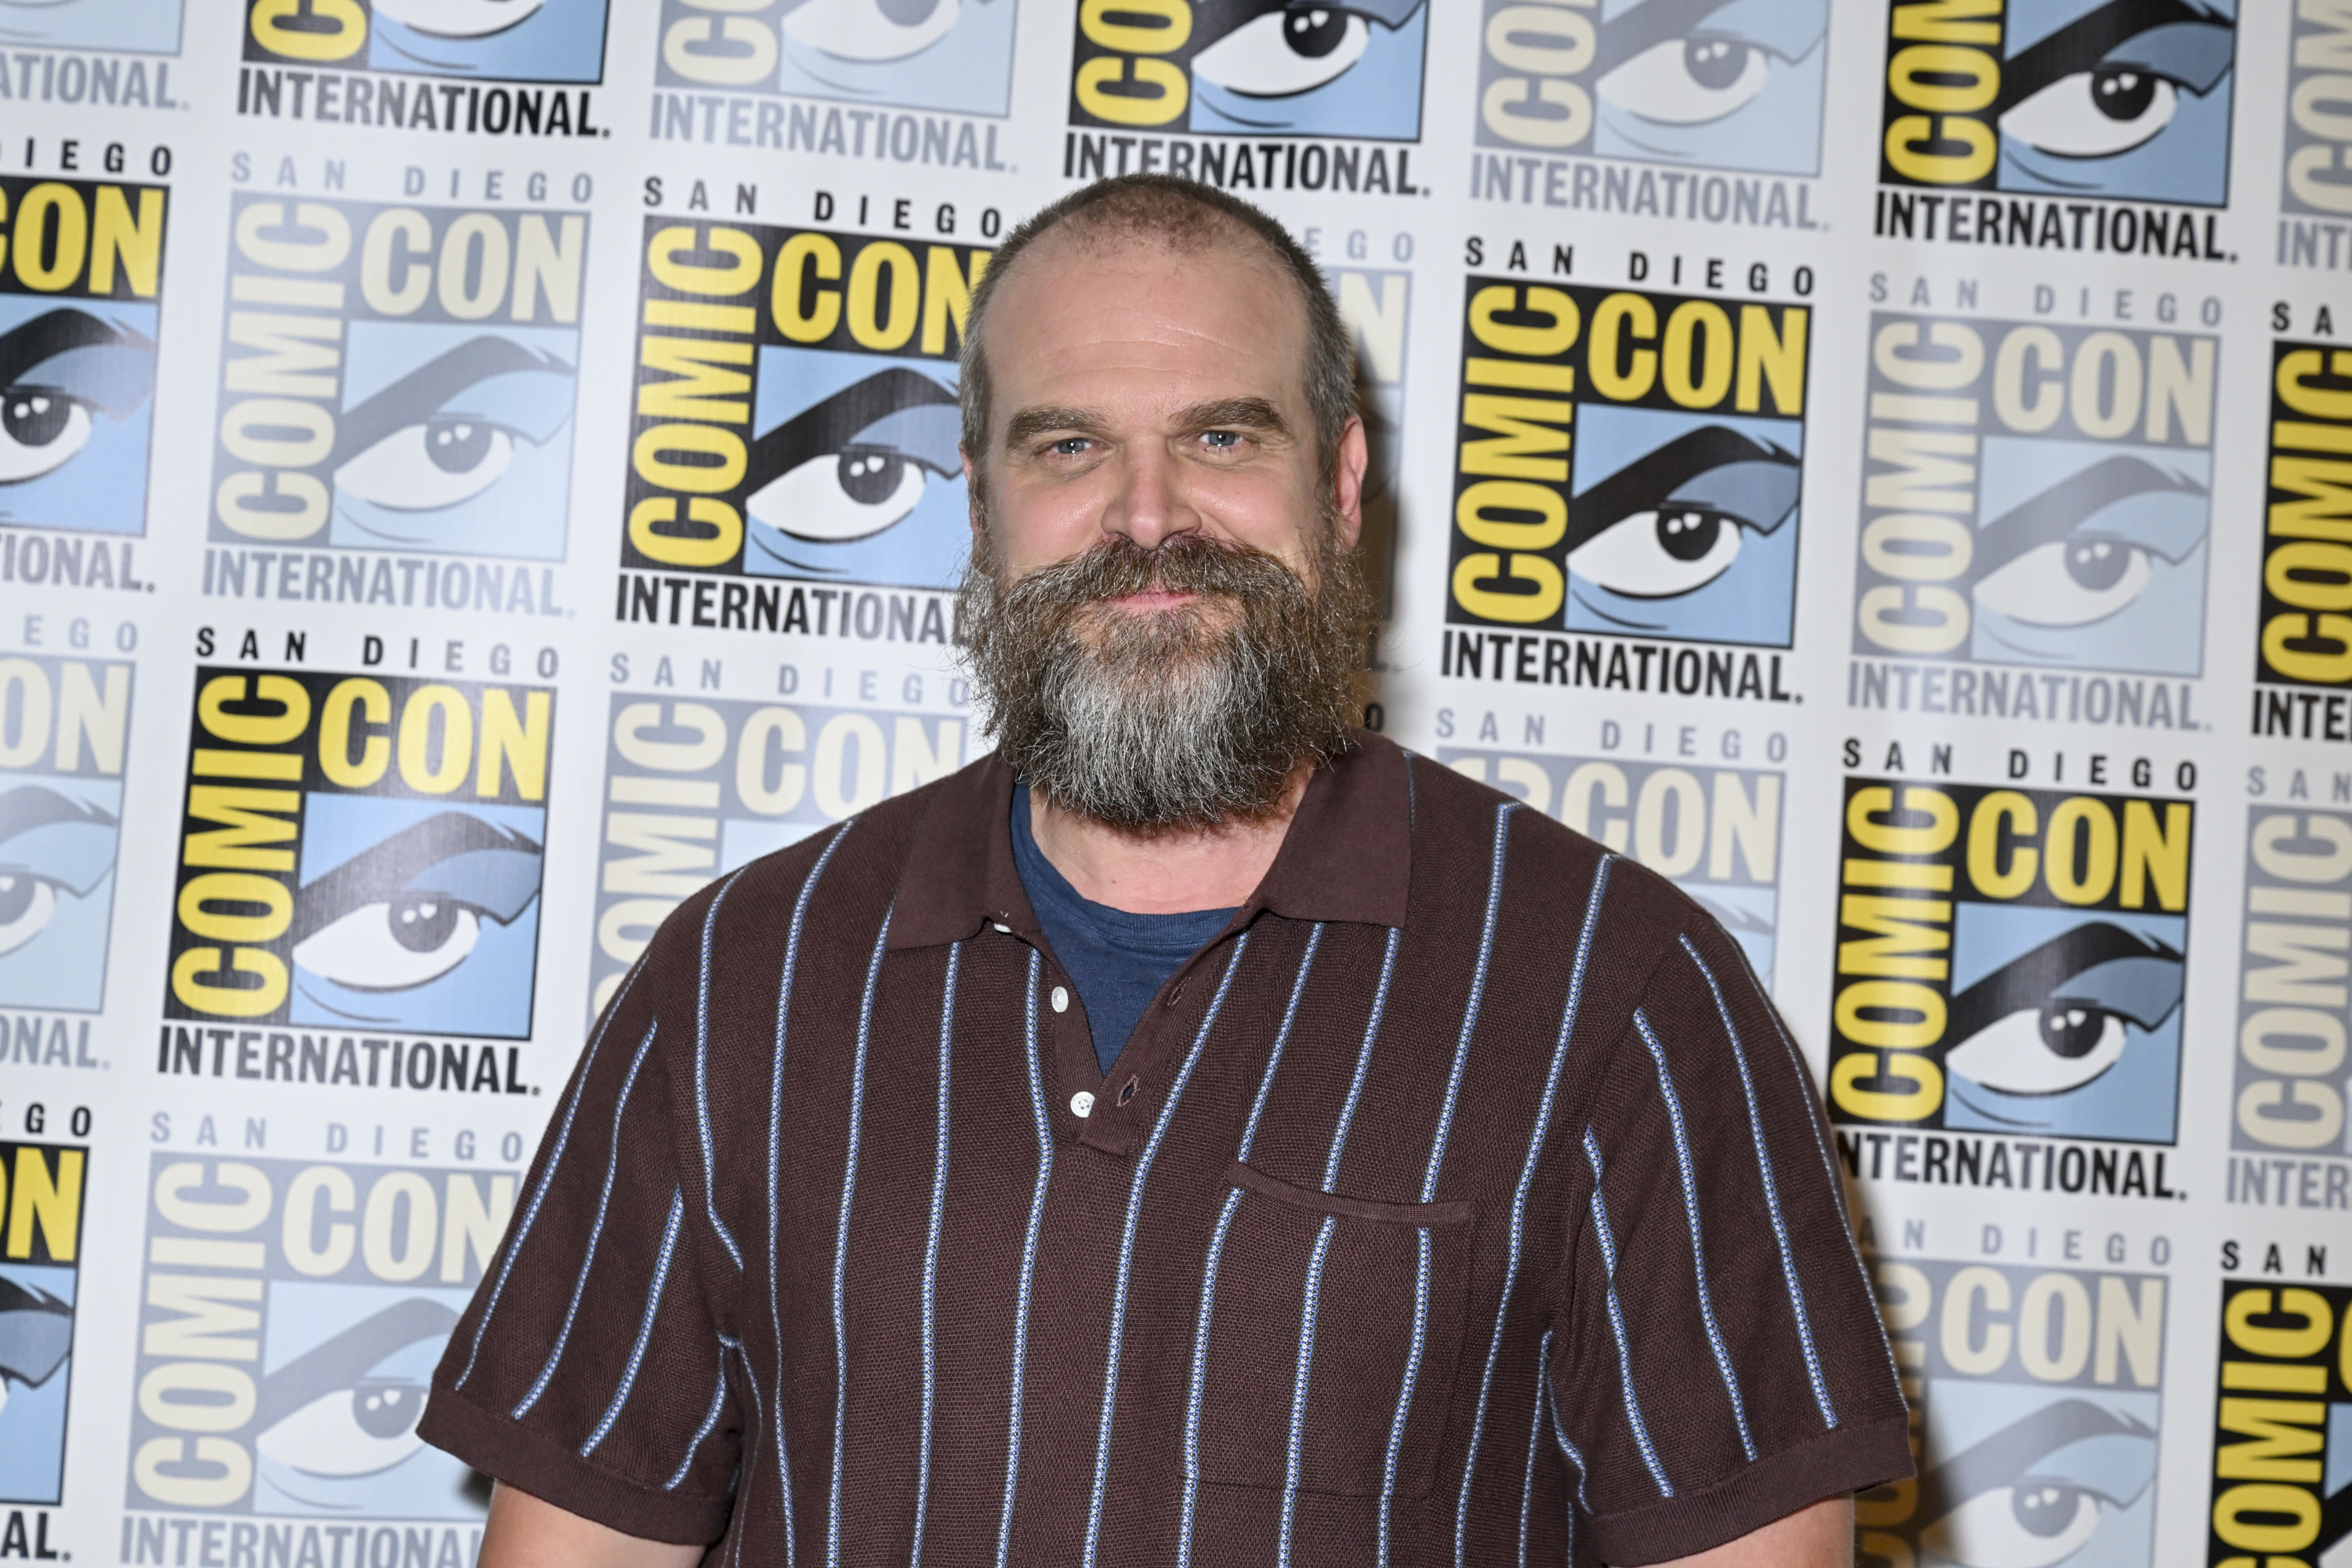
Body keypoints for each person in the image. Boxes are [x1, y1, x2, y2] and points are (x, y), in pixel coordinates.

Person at [420, 174, 1911, 1567]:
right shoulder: (750, 971)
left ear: (1338, 483)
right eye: (1069, 446)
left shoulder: (1620, 992)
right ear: (983, 502)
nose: (1149, 518)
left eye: (1221, 436)